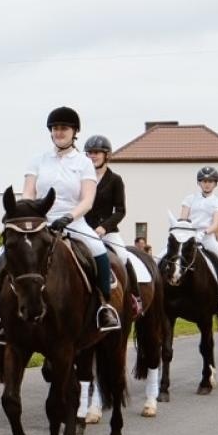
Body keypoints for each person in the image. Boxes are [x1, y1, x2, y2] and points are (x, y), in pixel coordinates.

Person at [0, 106, 121, 338]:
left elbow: (88, 200)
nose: (59, 132)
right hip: (39, 221)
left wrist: (69, 217)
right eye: (55, 128)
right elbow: (28, 193)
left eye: (64, 128)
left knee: (99, 251)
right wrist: (26, 214)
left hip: (73, 220)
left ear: (74, 132)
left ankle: (104, 306)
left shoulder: (83, 163)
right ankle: (0, 315)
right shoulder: (37, 160)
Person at [84, 134, 151, 318]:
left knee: (122, 255)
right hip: (83, 228)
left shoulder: (115, 180)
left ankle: (134, 297)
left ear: (106, 155)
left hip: (107, 231)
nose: (93, 156)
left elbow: (120, 210)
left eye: (97, 152)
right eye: (89, 153)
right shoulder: (82, 178)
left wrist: (104, 227)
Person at [178, 167, 218, 313]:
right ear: (199, 183)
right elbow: (183, 219)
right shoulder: (189, 199)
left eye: (210, 181)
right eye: (204, 181)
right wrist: (188, 233)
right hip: (188, 238)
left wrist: (203, 233)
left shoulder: (217, 202)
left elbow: (215, 224)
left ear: (215, 183)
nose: (207, 184)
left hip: (207, 238)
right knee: (163, 258)